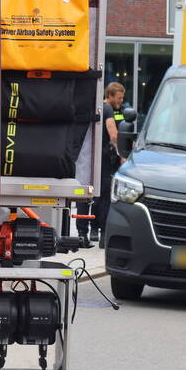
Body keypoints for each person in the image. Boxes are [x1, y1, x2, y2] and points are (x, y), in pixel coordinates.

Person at [76, 82, 125, 247]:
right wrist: (122, 153)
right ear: (109, 95)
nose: (121, 100)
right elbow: (113, 134)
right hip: (103, 159)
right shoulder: (108, 109)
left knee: (83, 195)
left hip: (85, 157)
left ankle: (82, 235)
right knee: (104, 197)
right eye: (119, 97)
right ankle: (104, 236)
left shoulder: (91, 107)